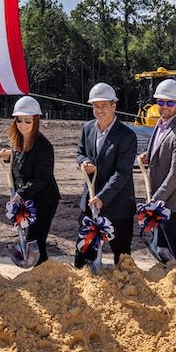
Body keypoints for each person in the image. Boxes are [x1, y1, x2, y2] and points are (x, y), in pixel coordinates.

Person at [75, 82, 138, 269]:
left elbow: (123, 172)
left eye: (104, 105)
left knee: (121, 256)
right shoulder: (88, 129)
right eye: (96, 105)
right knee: (84, 253)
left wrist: (102, 197)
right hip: (90, 202)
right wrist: (83, 162)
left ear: (114, 106)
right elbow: (80, 152)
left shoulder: (126, 135)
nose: (100, 110)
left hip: (118, 205)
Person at [138, 79, 176, 267]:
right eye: (161, 102)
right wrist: (149, 156)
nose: (164, 106)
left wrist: (156, 199)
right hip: (162, 200)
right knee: (165, 249)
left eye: (170, 102)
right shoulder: (161, 124)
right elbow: (164, 152)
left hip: (175, 203)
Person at [0, 96, 60, 265]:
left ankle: (43, 275)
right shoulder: (17, 143)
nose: (23, 125)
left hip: (44, 200)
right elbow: (17, 171)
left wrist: (20, 193)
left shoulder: (43, 145)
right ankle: (40, 274)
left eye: (27, 121)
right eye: (19, 121)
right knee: (30, 238)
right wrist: (7, 160)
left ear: (36, 121)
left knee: (35, 239)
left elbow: (42, 178)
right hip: (27, 200)